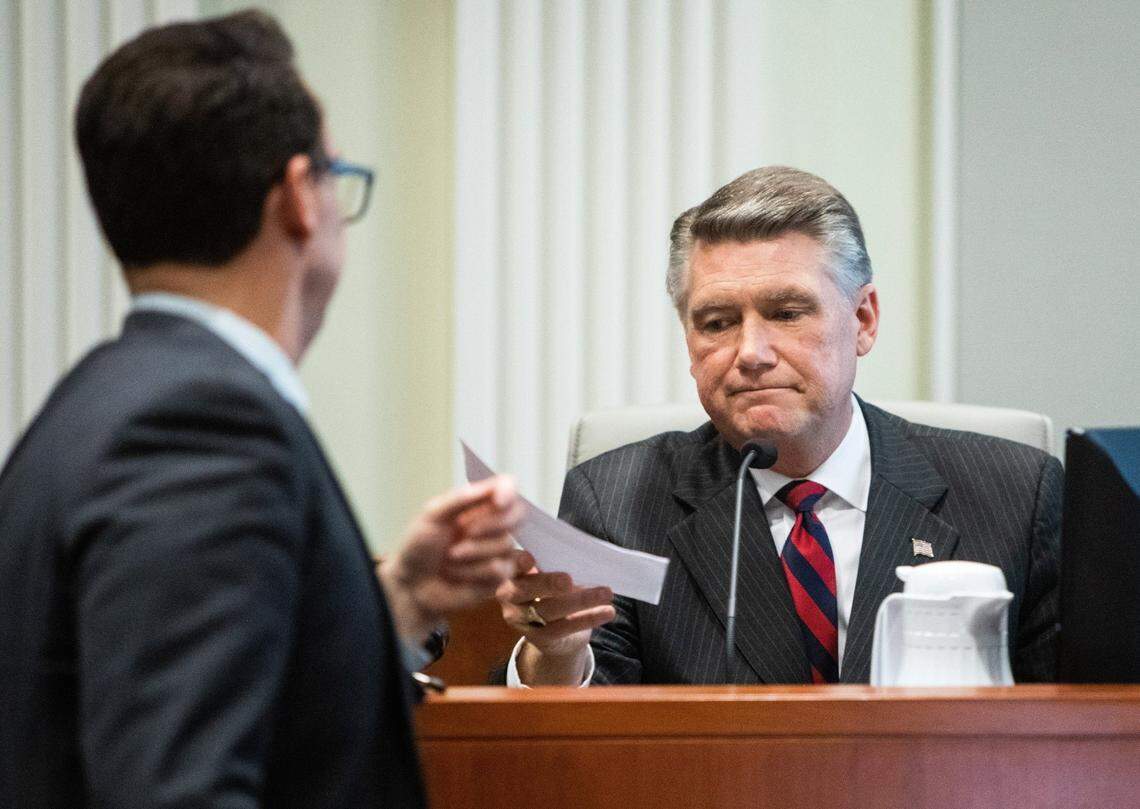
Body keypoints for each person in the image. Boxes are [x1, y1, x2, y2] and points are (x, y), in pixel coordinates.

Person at [0, 11, 521, 808]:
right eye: (335, 171)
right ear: (298, 199)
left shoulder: (91, 405)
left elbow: (230, 703)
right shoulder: (200, 428)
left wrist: (397, 603)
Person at [497, 166, 1061, 687]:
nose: (751, 353)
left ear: (863, 320)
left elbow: (1082, 730)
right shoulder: (617, 500)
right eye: (717, 322)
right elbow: (589, 744)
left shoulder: (1014, 494)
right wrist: (560, 652)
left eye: (787, 313)